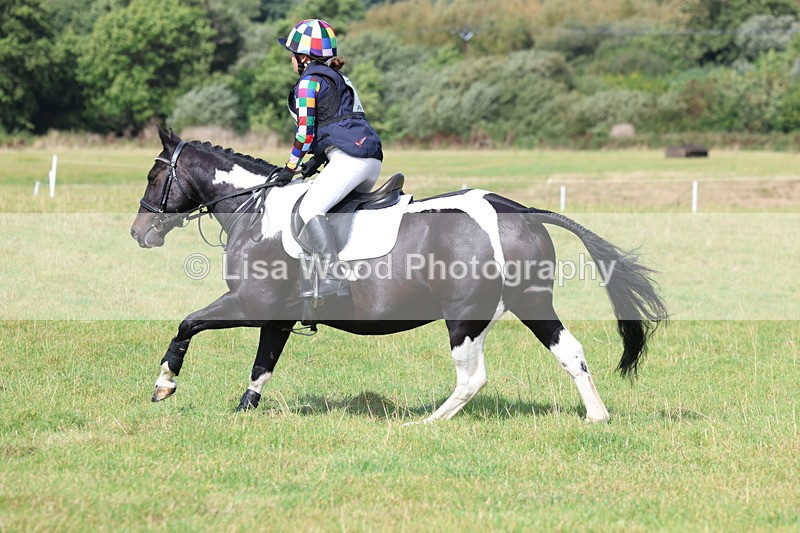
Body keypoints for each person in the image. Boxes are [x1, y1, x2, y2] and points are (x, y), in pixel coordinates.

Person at [272, 19, 383, 302]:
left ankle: (334, 278)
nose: (290, 59)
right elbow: (342, 122)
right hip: (371, 158)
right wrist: (318, 160)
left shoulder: (308, 83)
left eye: (293, 54)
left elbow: (305, 133)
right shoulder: (341, 79)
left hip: (351, 160)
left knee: (310, 208)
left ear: (304, 57)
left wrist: (290, 167)